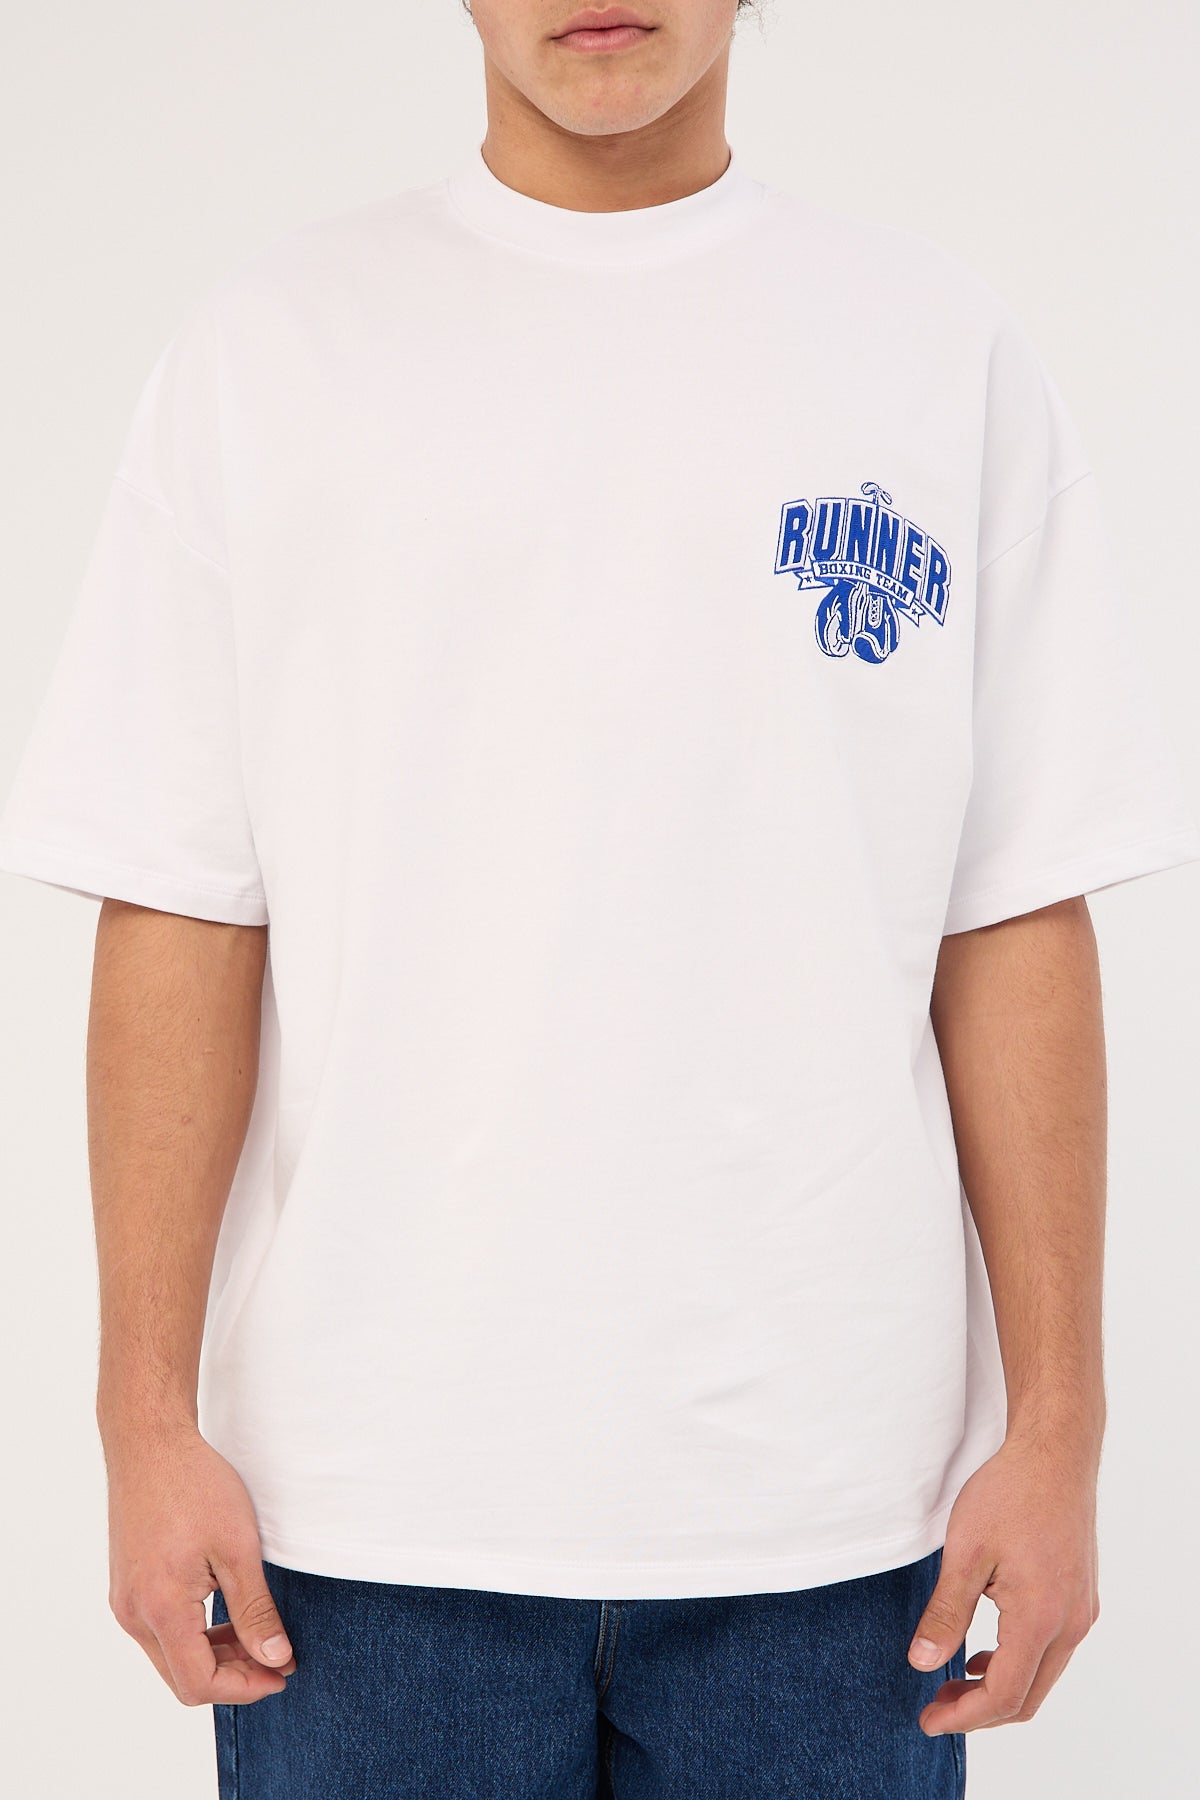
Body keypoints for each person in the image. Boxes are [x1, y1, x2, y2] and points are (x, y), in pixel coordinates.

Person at [1, 3, 1196, 1795]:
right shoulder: (272, 350)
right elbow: (182, 907)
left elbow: (1010, 914)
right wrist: (140, 1422)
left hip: (838, 1522)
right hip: (363, 1522)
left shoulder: (935, 350)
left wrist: (1065, 1428)